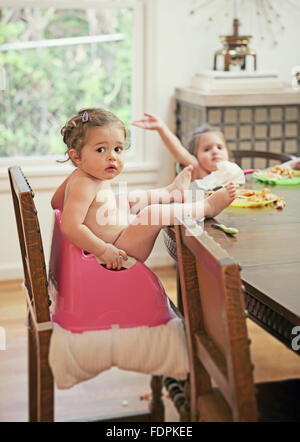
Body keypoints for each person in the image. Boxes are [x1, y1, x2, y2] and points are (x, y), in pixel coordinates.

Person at [51, 108, 236, 270]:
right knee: (151, 214)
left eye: (118, 149)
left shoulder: (83, 176)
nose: (112, 157)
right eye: (100, 150)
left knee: (124, 198)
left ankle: (171, 192)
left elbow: (56, 202)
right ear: (76, 157)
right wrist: (103, 249)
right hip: (119, 252)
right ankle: (206, 207)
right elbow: (70, 226)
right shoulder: (84, 183)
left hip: (119, 238)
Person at [132, 112, 300, 179]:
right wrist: (161, 128)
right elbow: (179, 152)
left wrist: (292, 164)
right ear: (195, 156)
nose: (215, 151)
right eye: (207, 149)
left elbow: (264, 175)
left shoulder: (231, 172)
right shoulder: (199, 171)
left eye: (220, 147)